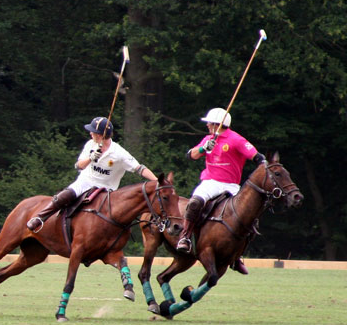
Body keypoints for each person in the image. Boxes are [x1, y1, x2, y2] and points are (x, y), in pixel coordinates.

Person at [26, 116, 158, 232]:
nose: (90, 133)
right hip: (85, 182)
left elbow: (140, 168)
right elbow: (78, 166)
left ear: (100, 135)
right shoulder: (91, 144)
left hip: (107, 191)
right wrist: (90, 158)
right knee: (63, 196)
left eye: (93, 131)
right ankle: (40, 218)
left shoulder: (119, 153)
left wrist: (157, 181)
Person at [176, 107, 266, 274]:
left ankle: (237, 256)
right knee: (195, 203)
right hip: (210, 182)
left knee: (250, 219)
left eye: (210, 123)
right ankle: (185, 237)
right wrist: (204, 148)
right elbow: (191, 155)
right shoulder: (208, 138)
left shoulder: (236, 139)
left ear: (218, 124)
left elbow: (256, 155)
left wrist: (264, 164)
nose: (207, 125)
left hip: (231, 185)